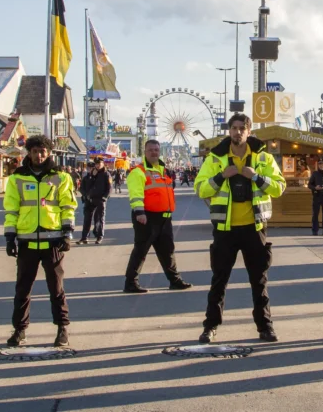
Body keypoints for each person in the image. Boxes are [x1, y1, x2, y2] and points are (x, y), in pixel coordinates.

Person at [195, 113, 286, 344]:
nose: (238, 132)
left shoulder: (263, 157)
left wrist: (256, 177)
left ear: (249, 131)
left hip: (254, 228)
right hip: (225, 229)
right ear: (229, 131)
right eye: (234, 128)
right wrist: (221, 176)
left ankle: (265, 327)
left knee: (259, 281)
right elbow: (200, 189)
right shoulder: (215, 158)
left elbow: (279, 188)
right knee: (219, 280)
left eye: (242, 128)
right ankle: (210, 327)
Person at [4, 135, 77, 348]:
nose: (39, 155)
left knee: (56, 288)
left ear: (49, 152)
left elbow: (68, 207)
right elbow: (11, 209)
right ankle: (19, 330)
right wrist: (10, 237)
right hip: (26, 242)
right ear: (29, 152)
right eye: (35, 151)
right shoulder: (17, 178)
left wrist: (67, 233)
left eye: (42, 151)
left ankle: (62, 328)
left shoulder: (61, 177)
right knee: (22, 289)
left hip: (53, 241)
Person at [124, 140, 192, 293]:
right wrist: (139, 212)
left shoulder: (163, 170)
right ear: (145, 152)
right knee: (141, 251)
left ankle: (175, 281)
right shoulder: (138, 171)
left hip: (164, 218)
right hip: (147, 217)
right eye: (150, 150)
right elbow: (136, 194)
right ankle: (130, 283)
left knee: (168, 251)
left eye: (156, 150)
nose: (154, 152)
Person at [78, 159, 111, 245]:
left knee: (100, 218)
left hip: (100, 199)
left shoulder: (106, 174)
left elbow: (109, 188)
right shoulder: (91, 174)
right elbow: (86, 186)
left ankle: (99, 236)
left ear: (103, 164)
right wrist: (92, 176)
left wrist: (105, 197)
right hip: (90, 199)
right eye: (96, 164)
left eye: (99, 163)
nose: (97, 165)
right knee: (87, 219)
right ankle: (84, 237)